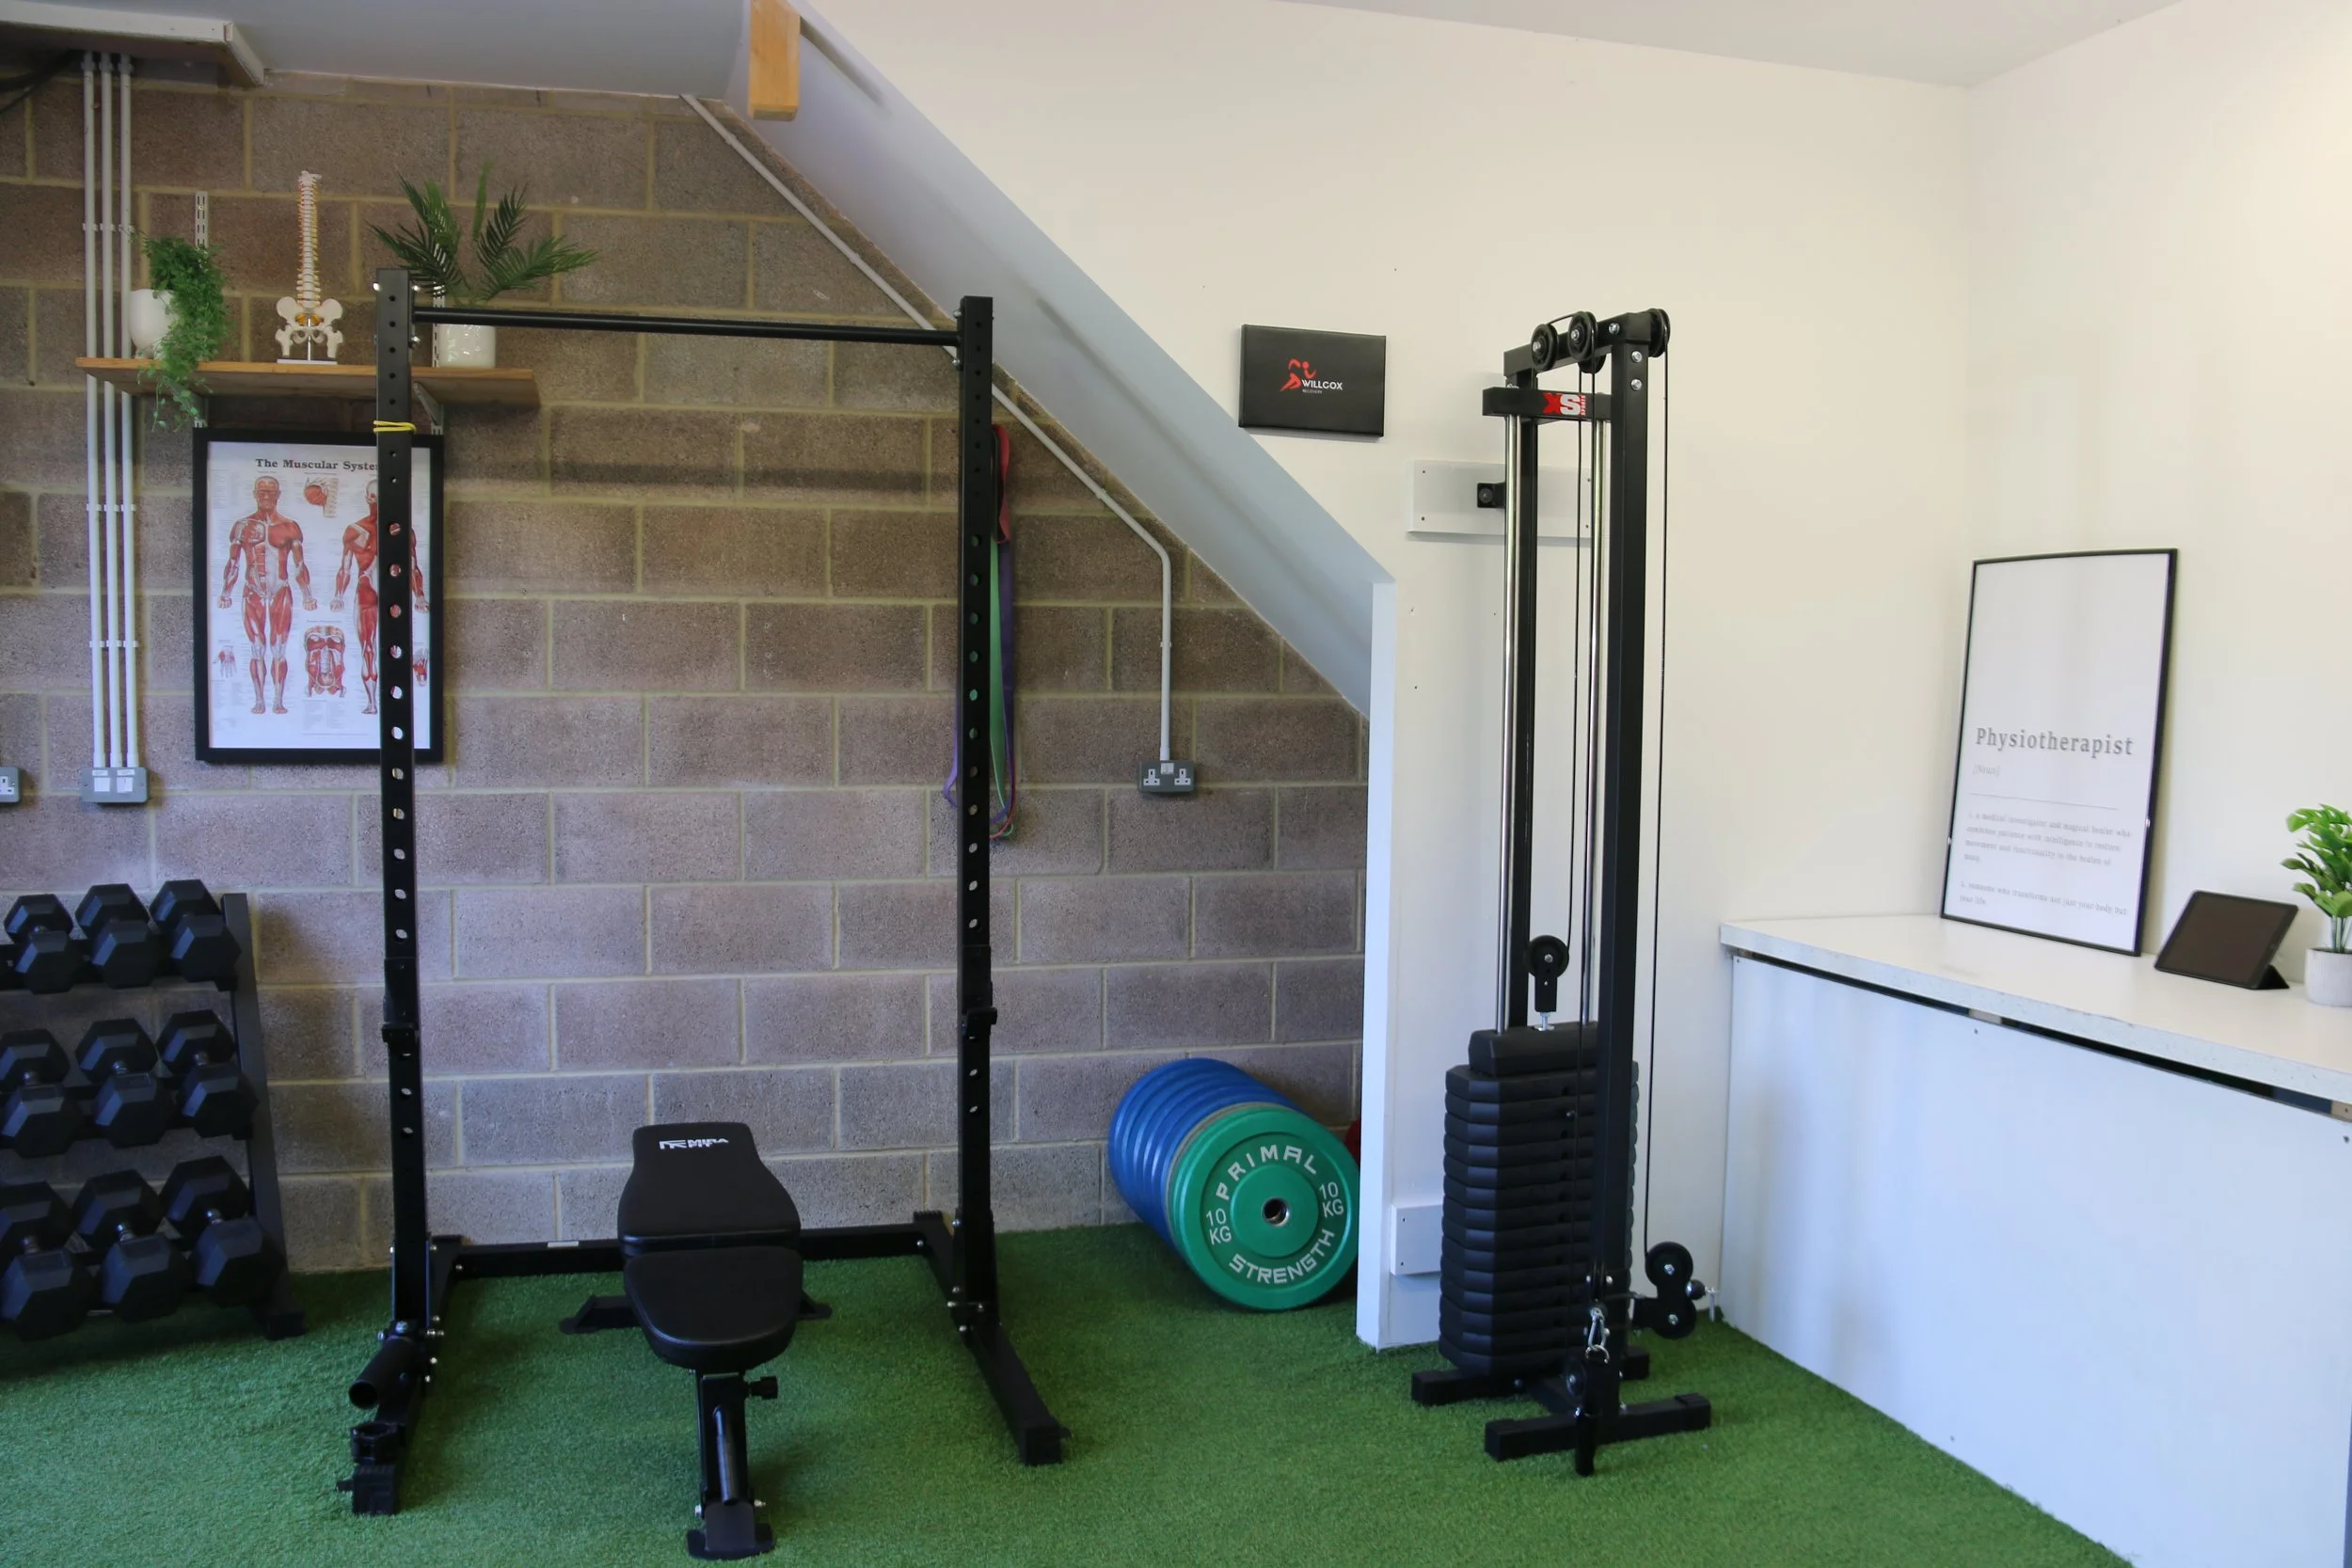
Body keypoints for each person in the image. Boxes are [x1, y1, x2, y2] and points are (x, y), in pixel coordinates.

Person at [217, 475, 315, 715]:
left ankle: (278, 700)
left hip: (281, 589)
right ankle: (260, 700)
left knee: (279, 648)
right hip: (253, 591)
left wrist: (307, 595)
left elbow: (299, 565)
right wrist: (225, 592)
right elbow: (233, 563)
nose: (266, 496)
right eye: (261, 492)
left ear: (278, 495)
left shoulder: (289, 526)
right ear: (255, 494)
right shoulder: (242, 526)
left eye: (270, 492)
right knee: (257, 646)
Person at [330, 480, 429, 715]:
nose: (379, 504)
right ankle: (372, 703)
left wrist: (420, 596)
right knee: (368, 648)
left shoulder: (403, 531)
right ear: (368, 499)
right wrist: (338, 595)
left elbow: (413, 565)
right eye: (375, 498)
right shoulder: (354, 530)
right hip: (366, 591)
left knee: (394, 646)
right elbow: (345, 568)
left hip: (393, 592)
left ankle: (393, 704)